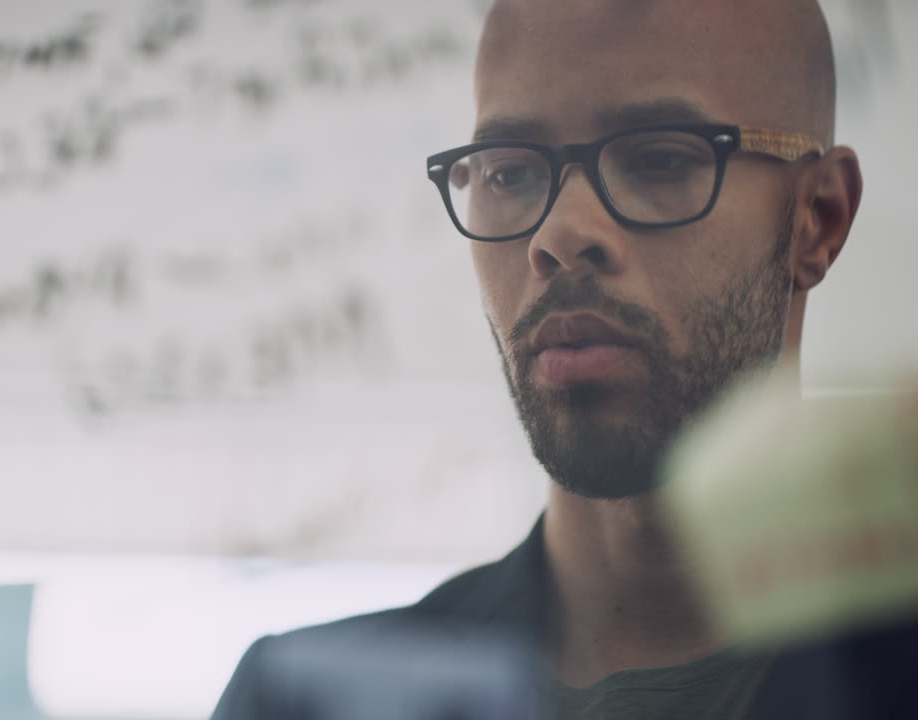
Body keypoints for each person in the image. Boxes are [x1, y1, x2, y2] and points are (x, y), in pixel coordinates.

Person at [209, 0, 906, 717]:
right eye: (509, 174)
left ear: (819, 218)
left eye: (661, 159)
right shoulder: (301, 704)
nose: (560, 233)